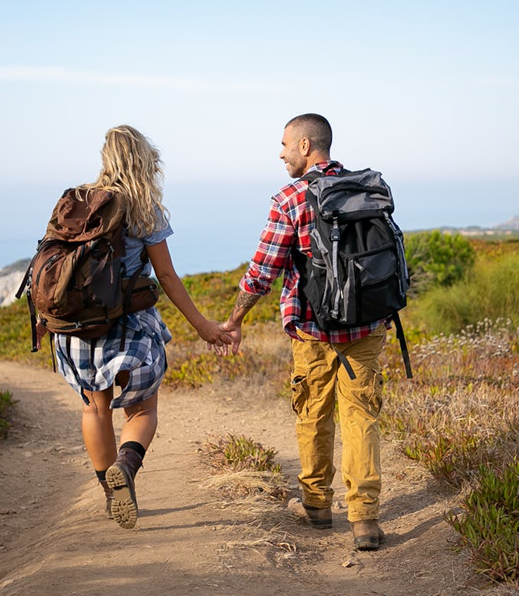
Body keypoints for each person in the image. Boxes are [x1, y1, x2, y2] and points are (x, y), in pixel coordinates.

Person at [51, 125, 235, 529]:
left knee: (94, 407)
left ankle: (109, 491)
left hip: (75, 325)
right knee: (142, 409)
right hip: (128, 325)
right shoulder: (144, 209)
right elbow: (166, 277)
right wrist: (204, 326)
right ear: (144, 160)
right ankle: (127, 469)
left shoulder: (76, 201)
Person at [220, 114, 389, 551]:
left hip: (314, 329)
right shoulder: (368, 188)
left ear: (306, 145)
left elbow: (262, 272)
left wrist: (234, 320)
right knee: (361, 417)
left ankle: (316, 505)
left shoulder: (291, 198)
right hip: (367, 326)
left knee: (313, 412)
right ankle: (365, 520)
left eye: (284, 145)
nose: (280, 153)